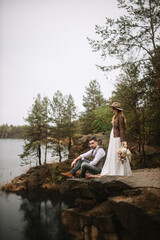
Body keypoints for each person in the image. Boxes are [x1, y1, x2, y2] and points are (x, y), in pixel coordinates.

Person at [100, 102, 132, 176]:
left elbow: (122, 130)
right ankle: (113, 170)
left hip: (117, 138)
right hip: (113, 137)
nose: (112, 110)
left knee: (119, 154)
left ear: (117, 109)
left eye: (113, 108)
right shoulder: (115, 117)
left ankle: (120, 171)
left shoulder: (121, 117)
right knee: (113, 154)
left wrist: (123, 140)